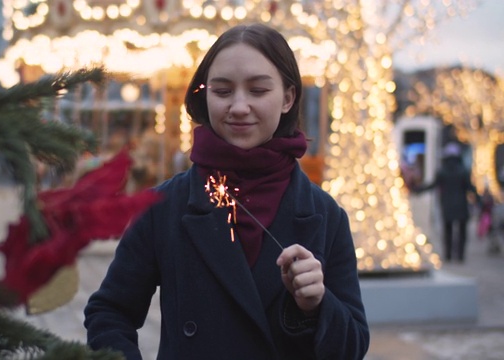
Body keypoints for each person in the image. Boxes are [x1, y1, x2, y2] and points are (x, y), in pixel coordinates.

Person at [84, 23, 369, 360]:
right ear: (204, 95)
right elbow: (109, 312)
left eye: (258, 90)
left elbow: (352, 346)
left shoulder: (324, 215)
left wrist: (317, 305)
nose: (238, 107)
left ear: (288, 97)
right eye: (222, 91)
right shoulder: (164, 206)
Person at [415, 142, 479, 262]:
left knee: (447, 231)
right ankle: (460, 255)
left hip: (447, 205)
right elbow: (470, 188)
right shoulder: (463, 171)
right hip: (461, 205)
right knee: (461, 232)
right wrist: (479, 200)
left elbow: (433, 185)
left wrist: (418, 190)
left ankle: (448, 255)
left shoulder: (443, 171)